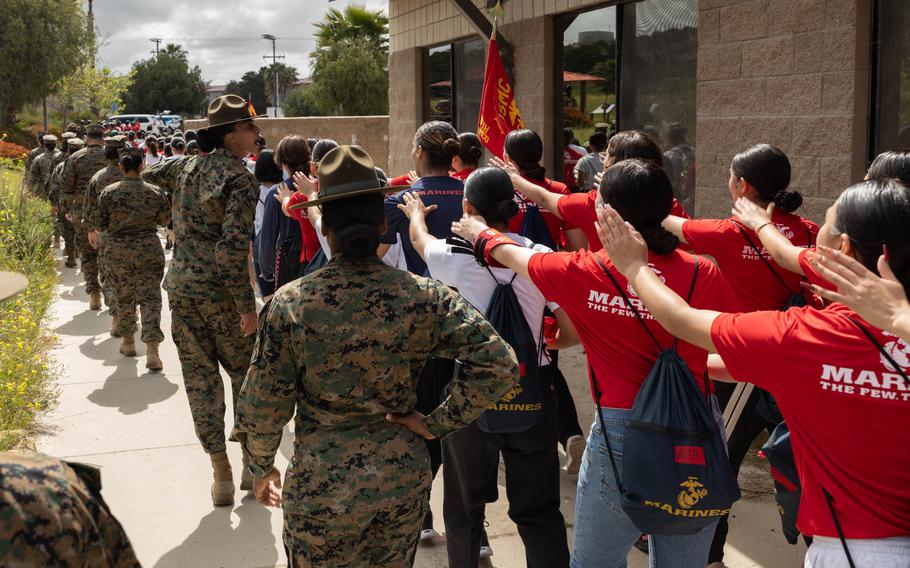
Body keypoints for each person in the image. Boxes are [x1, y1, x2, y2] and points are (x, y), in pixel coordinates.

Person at [596, 178, 910, 568]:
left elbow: (683, 319)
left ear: (843, 249)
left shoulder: (801, 338)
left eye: (824, 225)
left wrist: (635, 268)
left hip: (857, 552)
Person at [234, 145, 519, 567]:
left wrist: (261, 467)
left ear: (324, 224)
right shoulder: (422, 296)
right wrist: (436, 423)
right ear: (385, 221)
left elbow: (262, 405)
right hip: (399, 483)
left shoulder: (292, 304)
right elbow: (500, 363)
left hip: (321, 487)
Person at [452, 159, 738, 568]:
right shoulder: (704, 273)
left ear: (608, 216)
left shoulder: (585, 270)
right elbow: (735, 359)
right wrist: (687, 369)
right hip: (697, 429)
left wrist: (477, 231)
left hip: (620, 436)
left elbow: (516, 256)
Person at [398, 167, 570, 568]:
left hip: (470, 397)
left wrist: (416, 214)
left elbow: (420, 241)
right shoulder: (540, 258)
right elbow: (571, 329)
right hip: (534, 392)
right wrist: (541, 347)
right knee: (540, 511)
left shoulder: (452, 257)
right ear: (512, 211)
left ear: (466, 207)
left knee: (463, 510)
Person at [661, 144, 817, 564]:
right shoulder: (808, 233)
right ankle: (821, 550)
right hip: (794, 372)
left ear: (742, 186)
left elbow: (668, 222)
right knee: (804, 467)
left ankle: (711, 556)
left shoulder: (728, 233)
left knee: (719, 466)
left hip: (737, 369)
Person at [141, 95, 260, 506]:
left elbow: (152, 170)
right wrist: (247, 305)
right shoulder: (241, 180)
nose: (256, 133)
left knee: (200, 381)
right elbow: (231, 251)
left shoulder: (186, 167)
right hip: (223, 295)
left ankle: (219, 471)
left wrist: (175, 213)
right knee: (244, 375)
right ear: (230, 136)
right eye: (249, 127)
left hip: (183, 290)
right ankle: (248, 462)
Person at [380, 120, 468, 540]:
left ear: (418, 152)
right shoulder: (474, 194)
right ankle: (474, 530)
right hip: (473, 326)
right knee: (468, 432)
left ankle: (425, 519)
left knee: (423, 425)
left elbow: (374, 261)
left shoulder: (404, 202)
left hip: (421, 332)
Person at [492, 130, 688, 254]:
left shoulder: (590, 203)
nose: (602, 159)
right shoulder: (670, 206)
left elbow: (545, 199)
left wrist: (514, 178)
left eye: (606, 155)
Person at [91, 148, 170, 369]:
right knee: (151, 299)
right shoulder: (155, 192)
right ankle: (153, 351)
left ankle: (128, 343)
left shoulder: (108, 192)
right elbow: (165, 219)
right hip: (149, 248)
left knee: (124, 296)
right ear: (142, 166)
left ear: (121, 167)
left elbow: (99, 223)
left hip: (118, 251)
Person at [59, 123, 109, 310]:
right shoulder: (112, 157)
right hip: (108, 213)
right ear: (103, 139)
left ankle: (94, 292)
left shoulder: (75, 158)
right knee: (107, 254)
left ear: (86, 138)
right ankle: (109, 292)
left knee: (87, 255)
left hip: (82, 213)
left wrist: (67, 209)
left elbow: (65, 187)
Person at [83, 136, 127, 324]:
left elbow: (90, 209)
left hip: (108, 237)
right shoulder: (136, 175)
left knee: (109, 277)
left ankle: (117, 317)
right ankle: (129, 315)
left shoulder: (98, 178)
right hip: (138, 236)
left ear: (106, 154)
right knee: (131, 279)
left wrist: (92, 231)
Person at [252, 149, 283, 299]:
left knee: (268, 294)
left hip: (260, 245)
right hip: (280, 243)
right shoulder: (283, 189)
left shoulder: (254, 192)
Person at [48, 137, 84, 268]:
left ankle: (71, 256)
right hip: (83, 202)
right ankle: (78, 251)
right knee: (80, 228)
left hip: (67, 202)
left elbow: (54, 187)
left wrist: (54, 203)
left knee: (68, 229)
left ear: (68, 150)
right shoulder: (86, 166)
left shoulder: (61, 166)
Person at [662, 124, 696, 213]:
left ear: (671, 138)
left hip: (677, 196)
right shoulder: (695, 151)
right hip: (692, 197)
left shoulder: (668, 155)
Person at [27, 134, 60, 199]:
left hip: (42, 191)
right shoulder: (61, 156)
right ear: (55, 144)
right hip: (57, 191)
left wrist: (29, 191)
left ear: (45, 145)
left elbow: (33, 176)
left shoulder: (38, 158)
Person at [562, 128, 587, 193]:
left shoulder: (552, 150)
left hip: (559, 185)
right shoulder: (581, 150)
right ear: (572, 138)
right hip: (577, 187)